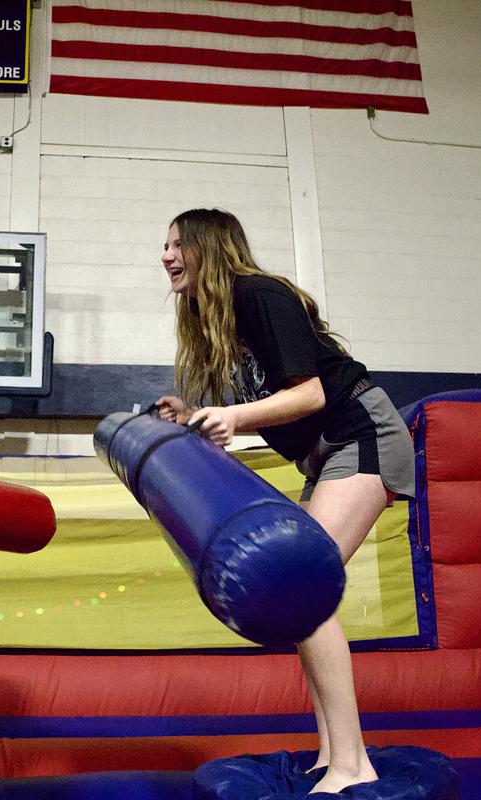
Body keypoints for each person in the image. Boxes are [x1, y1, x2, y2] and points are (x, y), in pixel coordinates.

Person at [155, 208, 413, 795]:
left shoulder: (259, 295)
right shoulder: (221, 321)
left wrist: (234, 416)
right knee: (301, 599)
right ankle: (333, 754)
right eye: (164, 246)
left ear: (209, 246)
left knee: (302, 589)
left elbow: (311, 393)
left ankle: (354, 764)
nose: (165, 255)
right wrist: (195, 415)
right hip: (325, 455)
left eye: (176, 244)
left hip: (362, 435)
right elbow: (266, 402)